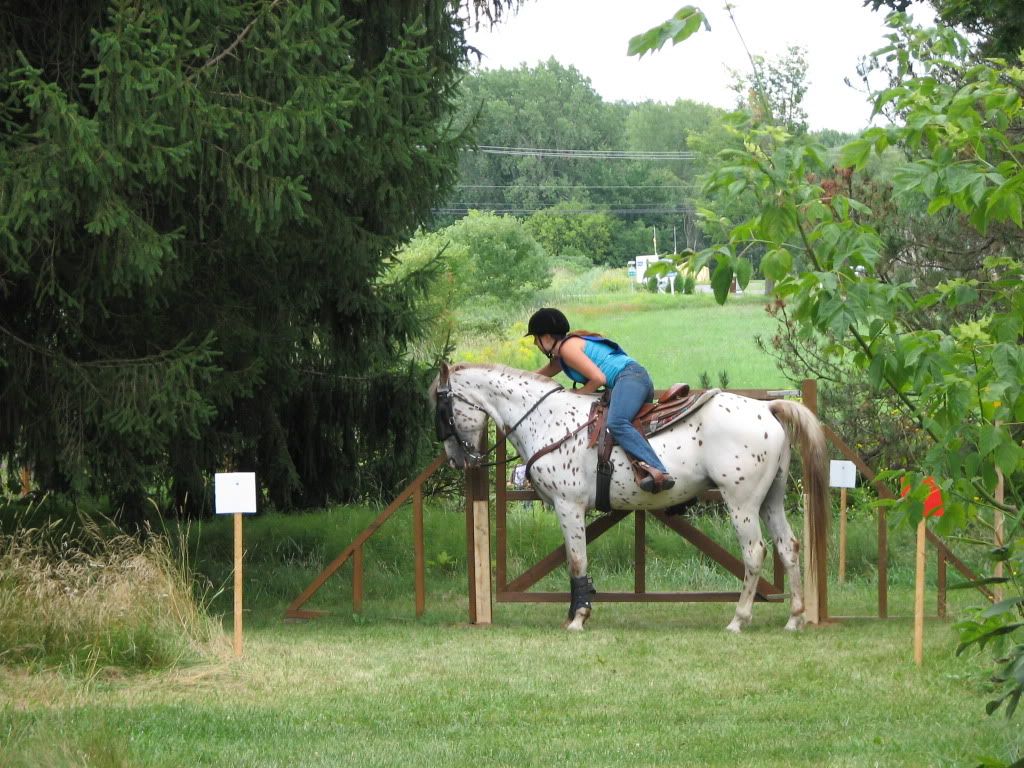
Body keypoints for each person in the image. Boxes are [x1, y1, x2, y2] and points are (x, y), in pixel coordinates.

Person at [525, 307, 675, 493]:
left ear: (547, 337)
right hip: (632, 380)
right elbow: (538, 376)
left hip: (629, 379)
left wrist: (579, 393)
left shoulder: (568, 349)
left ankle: (658, 469)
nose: (534, 343)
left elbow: (599, 379)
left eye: (535, 338)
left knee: (617, 422)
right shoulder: (562, 356)